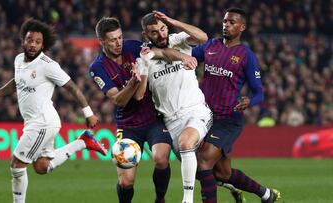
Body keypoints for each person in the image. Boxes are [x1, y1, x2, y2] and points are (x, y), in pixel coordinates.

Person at [0, 19, 107, 203]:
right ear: (23, 41)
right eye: (30, 40)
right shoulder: (18, 60)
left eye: (37, 42)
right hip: (35, 122)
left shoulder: (48, 65)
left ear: (42, 44)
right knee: (41, 167)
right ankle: (83, 142)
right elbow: (17, 81)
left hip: (42, 122)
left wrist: (88, 112)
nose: (32, 45)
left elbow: (72, 88)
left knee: (17, 166)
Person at [89, 17, 197, 203]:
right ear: (102, 42)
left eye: (120, 37)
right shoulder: (98, 67)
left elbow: (161, 53)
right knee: (126, 182)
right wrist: (133, 83)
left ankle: (160, 199)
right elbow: (118, 99)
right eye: (113, 39)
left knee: (161, 159)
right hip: (128, 125)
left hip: (153, 118)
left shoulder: (132, 47)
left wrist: (183, 56)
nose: (118, 42)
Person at [192, 8, 281, 203]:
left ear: (242, 27)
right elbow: (186, 56)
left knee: (204, 162)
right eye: (225, 21)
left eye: (232, 22)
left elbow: (259, 92)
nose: (226, 25)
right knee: (223, 174)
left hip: (227, 119)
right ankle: (266, 194)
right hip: (203, 116)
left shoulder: (246, 56)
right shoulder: (210, 46)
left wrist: (250, 101)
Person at [136, 11, 211, 203]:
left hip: (196, 110)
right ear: (146, 36)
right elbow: (161, 54)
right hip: (171, 122)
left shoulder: (179, 39)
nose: (161, 35)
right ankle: (257, 191)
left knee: (187, 143)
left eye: (163, 29)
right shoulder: (144, 57)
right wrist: (143, 69)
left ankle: (187, 200)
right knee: (206, 173)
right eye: (154, 32)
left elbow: (203, 37)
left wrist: (173, 21)